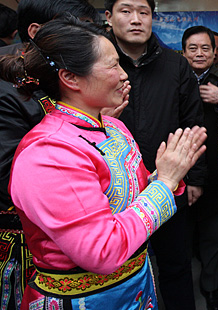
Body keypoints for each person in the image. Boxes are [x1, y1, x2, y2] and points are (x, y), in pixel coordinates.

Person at [0, 17, 206, 309]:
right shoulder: (49, 152)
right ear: (70, 78)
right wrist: (166, 183)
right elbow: (102, 251)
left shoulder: (113, 126)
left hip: (134, 287)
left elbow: (130, 198)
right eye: (113, 65)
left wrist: (170, 171)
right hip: (83, 299)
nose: (125, 75)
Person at [0, 0, 104, 310]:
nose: (86, 40)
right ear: (36, 32)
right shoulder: (8, 89)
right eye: (78, 30)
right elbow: (9, 177)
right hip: (28, 239)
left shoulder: (57, 74)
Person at [104, 0, 204, 310]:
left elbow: (193, 123)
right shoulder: (98, 65)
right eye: (126, 11)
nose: (136, 19)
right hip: (112, 189)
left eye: (143, 12)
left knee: (176, 265)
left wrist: (195, 178)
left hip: (170, 184)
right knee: (118, 267)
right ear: (108, 17)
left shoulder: (175, 65)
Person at [182, 25, 218, 310]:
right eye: (193, 48)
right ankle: (181, 287)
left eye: (206, 49)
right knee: (181, 236)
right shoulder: (174, 78)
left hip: (216, 169)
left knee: (213, 233)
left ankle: (211, 287)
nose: (200, 54)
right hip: (181, 168)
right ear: (184, 51)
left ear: (215, 54)